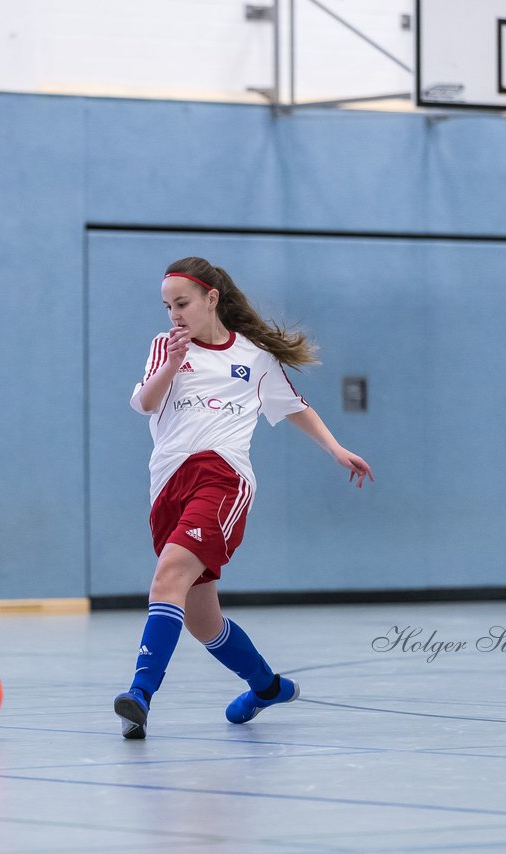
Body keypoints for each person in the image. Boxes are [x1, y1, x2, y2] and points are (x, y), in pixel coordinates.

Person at [113, 256, 372, 739]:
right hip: (168, 486)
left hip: (222, 478)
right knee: (202, 621)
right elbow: (145, 403)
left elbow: (294, 407)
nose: (174, 314)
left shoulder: (253, 356)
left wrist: (336, 448)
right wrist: (171, 364)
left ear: (212, 299)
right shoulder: (164, 349)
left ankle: (140, 696)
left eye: (183, 303)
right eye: (168, 305)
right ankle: (267, 685)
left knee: (166, 578)